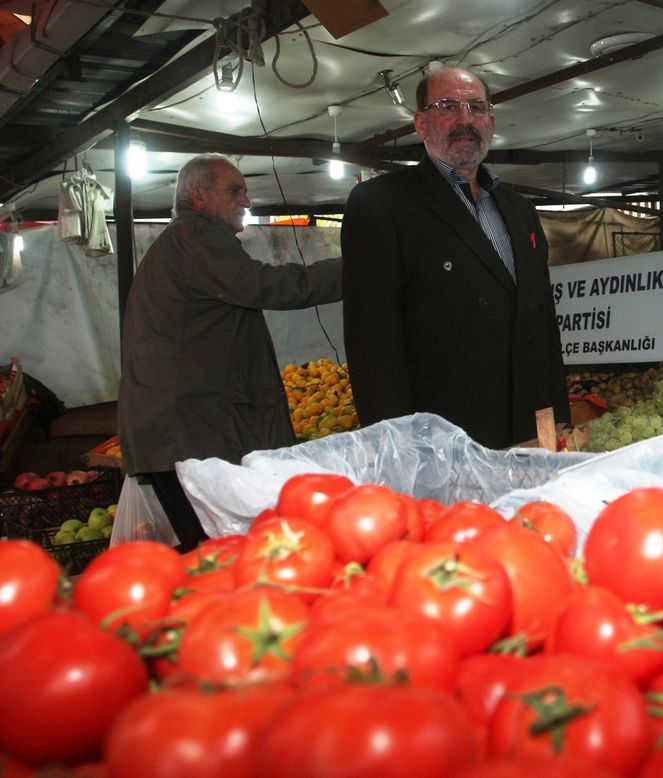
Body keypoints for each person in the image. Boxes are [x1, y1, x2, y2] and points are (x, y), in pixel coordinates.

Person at [117, 154, 342, 550]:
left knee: (212, 554)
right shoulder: (196, 237)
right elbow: (268, 287)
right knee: (217, 555)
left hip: (183, 433)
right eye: (235, 190)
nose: (248, 201)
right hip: (188, 436)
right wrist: (358, 268)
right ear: (199, 196)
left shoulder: (184, 240)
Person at [340, 66, 568, 449]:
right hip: (446, 435)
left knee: (538, 511)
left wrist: (558, 416)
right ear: (421, 123)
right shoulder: (382, 204)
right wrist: (398, 445)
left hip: (532, 425)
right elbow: (372, 343)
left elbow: (542, 322)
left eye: (476, 107)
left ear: (491, 123)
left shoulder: (520, 209)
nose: (465, 119)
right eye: (448, 106)